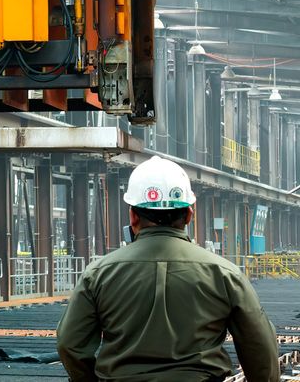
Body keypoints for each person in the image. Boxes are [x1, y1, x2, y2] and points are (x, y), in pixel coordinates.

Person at [56, 156, 279, 382]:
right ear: (189, 214)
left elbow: (70, 344)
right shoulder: (225, 274)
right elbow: (260, 348)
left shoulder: (98, 274)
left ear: (133, 216)